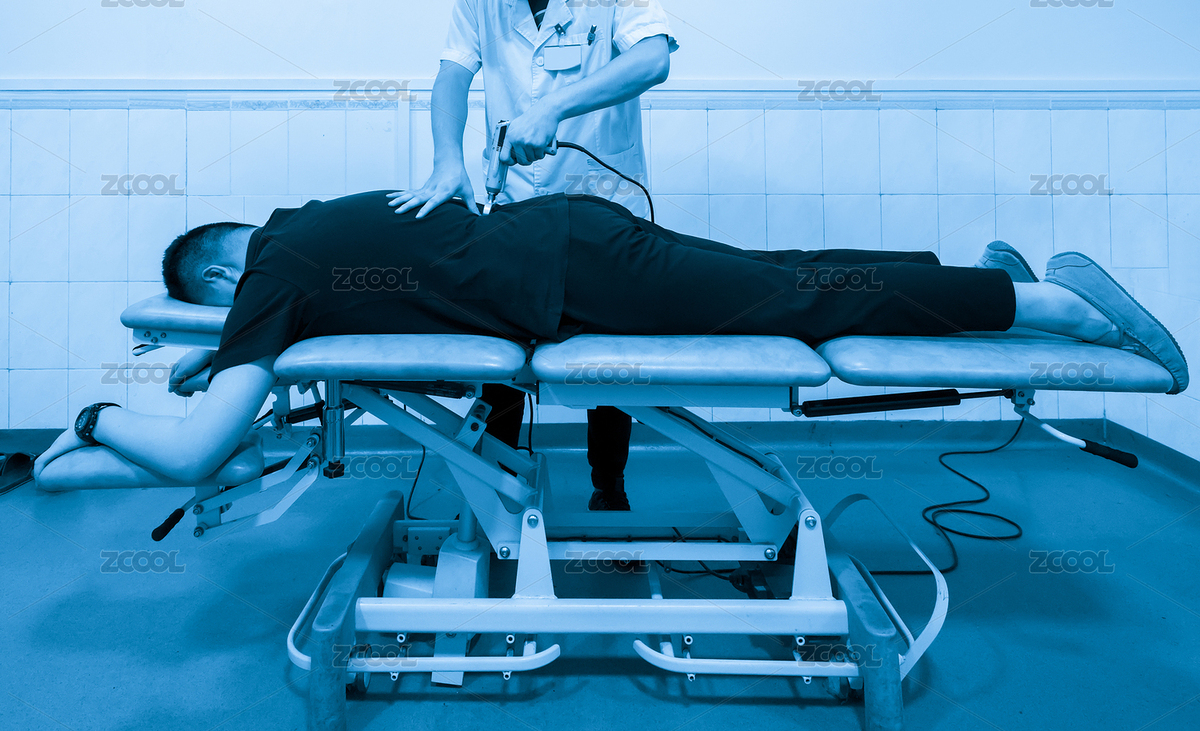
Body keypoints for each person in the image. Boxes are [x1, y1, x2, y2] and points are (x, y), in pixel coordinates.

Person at [33, 191, 1189, 489]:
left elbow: (194, 452)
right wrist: (223, 351)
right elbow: (350, 307)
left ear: (221, 277)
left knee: (793, 298)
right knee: (779, 274)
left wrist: (93, 417)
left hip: (576, 275)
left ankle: (1047, 307)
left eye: (224, 303)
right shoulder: (308, 230)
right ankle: (979, 280)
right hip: (569, 245)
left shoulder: (272, 281)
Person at [387, 0, 676, 511]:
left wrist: (552, 107)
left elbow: (653, 59)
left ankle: (610, 486)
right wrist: (447, 158)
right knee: (503, 359)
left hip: (601, 201)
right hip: (515, 200)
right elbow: (453, 73)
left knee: (607, 359)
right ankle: (500, 486)